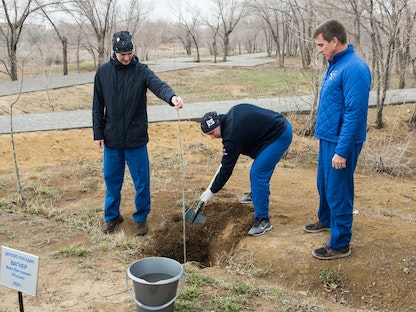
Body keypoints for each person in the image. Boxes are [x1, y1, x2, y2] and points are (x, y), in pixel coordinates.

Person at [92, 31, 183, 236]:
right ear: (114, 52)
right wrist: (98, 133)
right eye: (122, 54)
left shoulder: (141, 71)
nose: (126, 57)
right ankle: (112, 217)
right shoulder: (103, 73)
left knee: (142, 181)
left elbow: (158, 85)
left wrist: (172, 98)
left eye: (129, 53)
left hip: (136, 139)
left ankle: (141, 218)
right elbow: (97, 106)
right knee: (112, 180)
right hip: (112, 139)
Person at [303, 20, 371, 259]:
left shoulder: (355, 68)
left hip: (343, 141)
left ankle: (340, 243)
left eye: (321, 45)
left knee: (338, 191)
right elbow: (332, 107)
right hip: (328, 138)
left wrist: (341, 151)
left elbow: (355, 113)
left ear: (334, 41)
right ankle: (326, 219)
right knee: (323, 185)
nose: (319, 49)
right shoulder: (334, 65)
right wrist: (322, 136)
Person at [199, 103, 292, 236]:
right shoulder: (230, 117)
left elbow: (226, 169)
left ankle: (263, 220)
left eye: (212, 133)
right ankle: (257, 193)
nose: (212, 137)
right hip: (271, 130)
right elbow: (227, 160)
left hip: (279, 135)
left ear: (217, 124)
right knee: (261, 166)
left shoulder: (232, 136)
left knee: (258, 172)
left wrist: (212, 191)